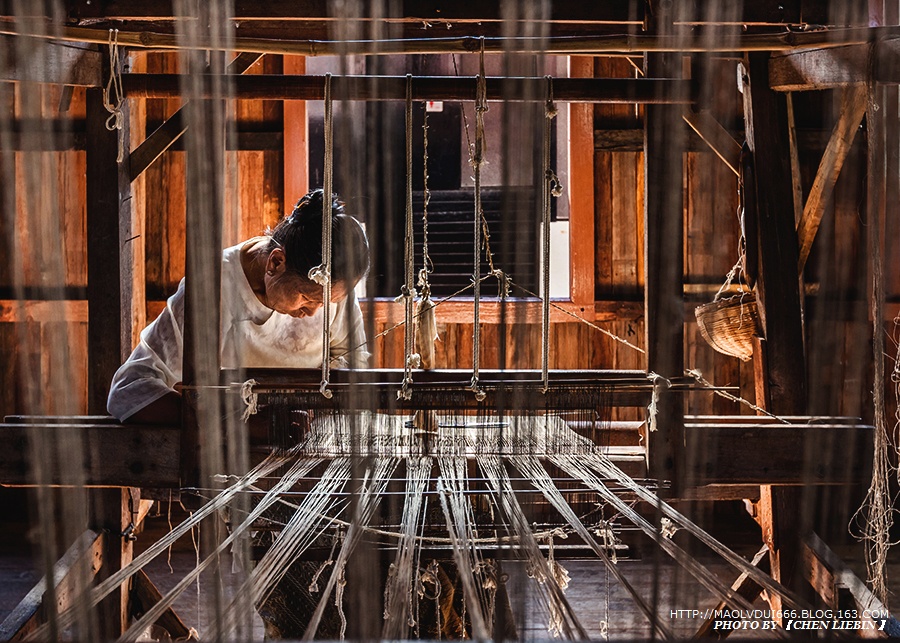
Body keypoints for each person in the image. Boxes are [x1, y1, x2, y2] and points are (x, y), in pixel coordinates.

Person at [107, 189, 370, 424]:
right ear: (276, 263)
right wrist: (240, 426)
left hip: (307, 437)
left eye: (326, 303)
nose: (313, 312)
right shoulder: (212, 288)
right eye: (306, 298)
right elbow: (129, 390)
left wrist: (316, 406)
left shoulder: (330, 284)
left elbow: (354, 362)